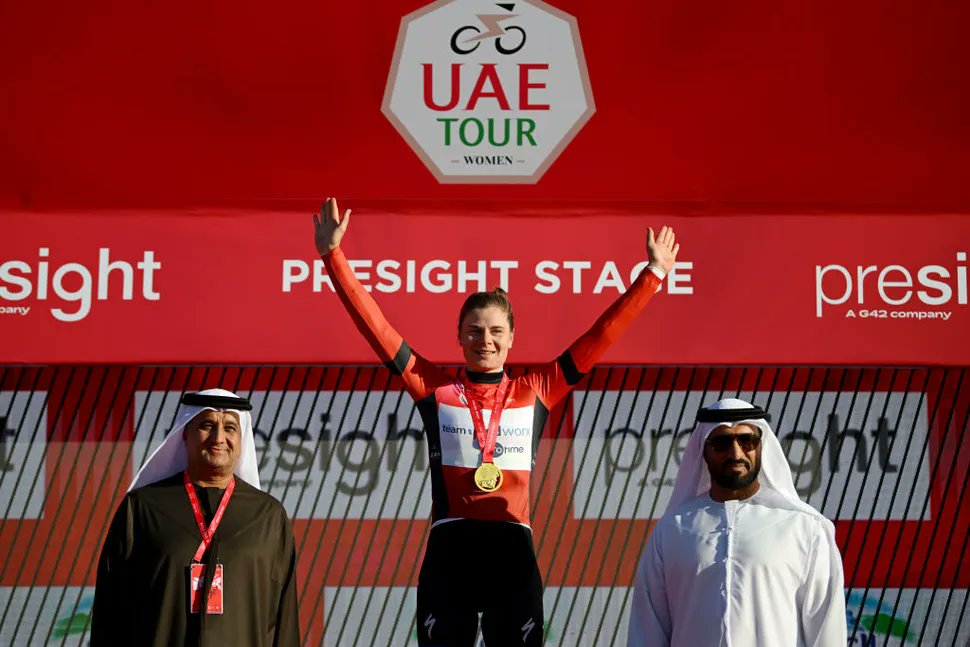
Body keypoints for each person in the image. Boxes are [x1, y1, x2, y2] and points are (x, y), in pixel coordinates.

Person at [313, 198, 679, 646]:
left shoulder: (536, 390)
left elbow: (599, 338)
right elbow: (377, 328)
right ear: (459, 337)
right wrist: (333, 255)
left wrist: (653, 274)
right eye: (474, 331)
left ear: (511, 338)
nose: (484, 340)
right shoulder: (434, 389)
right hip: (450, 555)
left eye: (495, 331)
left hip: (512, 554)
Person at [627, 398, 847, 646]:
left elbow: (826, 629)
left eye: (746, 441)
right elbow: (647, 629)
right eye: (722, 443)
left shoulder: (804, 526)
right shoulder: (672, 530)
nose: (736, 453)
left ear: (760, 446)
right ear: (704, 451)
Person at [91, 389, 300, 647]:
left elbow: (284, 621)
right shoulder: (143, 508)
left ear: (242, 438)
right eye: (207, 425)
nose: (218, 438)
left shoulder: (268, 517)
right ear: (184, 433)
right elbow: (110, 615)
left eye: (230, 428)